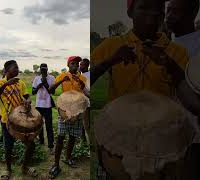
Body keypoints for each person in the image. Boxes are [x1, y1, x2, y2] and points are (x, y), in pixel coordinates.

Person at [91, 0, 188, 178]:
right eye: (144, 7)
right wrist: (110, 61)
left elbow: (190, 95)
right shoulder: (112, 45)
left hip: (160, 144)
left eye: (157, 9)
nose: (151, 15)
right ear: (130, 12)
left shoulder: (177, 52)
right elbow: (85, 80)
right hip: (118, 139)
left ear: (162, 14)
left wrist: (170, 65)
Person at [166, 0, 200, 179]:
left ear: (192, 13)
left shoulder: (197, 45)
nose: (168, 16)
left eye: (175, 12)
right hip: (168, 130)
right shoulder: (167, 42)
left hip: (193, 132)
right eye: (168, 11)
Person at [0, 60, 38, 180]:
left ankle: (24, 167)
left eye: (17, 68)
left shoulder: (20, 83)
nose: (17, 70)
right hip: (7, 121)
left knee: (31, 145)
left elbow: (27, 95)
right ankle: (8, 169)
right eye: (15, 68)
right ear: (7, 70)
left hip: (22, 120)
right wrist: (6, 84)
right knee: (8, 147)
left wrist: (27, 101)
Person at [48, 56, 87, 179]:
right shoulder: (62, 75)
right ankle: (56, 164)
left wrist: (82, 84)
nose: (76, 65)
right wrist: (61, 81)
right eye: (73, 63)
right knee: (60, 137)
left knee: (73, 137)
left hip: (78, 111)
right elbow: (51, 90)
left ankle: (68, 157)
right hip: (64, 110)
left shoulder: (82, 78)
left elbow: (86, 93)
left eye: (77, 63)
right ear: (68, 65)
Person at [32, 63, 55, 154]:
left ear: (47, 69)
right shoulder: (37, 78)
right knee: (39, 125)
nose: (43, 71)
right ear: (40, 70)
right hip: (38, 105)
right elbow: (33, 92)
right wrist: (38, 86)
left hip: (48, 105)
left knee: (49, 126)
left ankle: (51, 146)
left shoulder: (52, 78)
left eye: (45, 69)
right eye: (42, 69)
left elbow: (52, 91)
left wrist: (45, 84)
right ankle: (41, 141)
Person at [79, 58, 90, 143]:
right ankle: (83, 141)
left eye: (82, 65)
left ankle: (89, 143)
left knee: (86, 125)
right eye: (80, 65)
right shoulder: (80, 75)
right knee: (81, 123)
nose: (80, 66)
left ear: (87, 65)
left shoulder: (88, 75)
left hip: (86, 103)